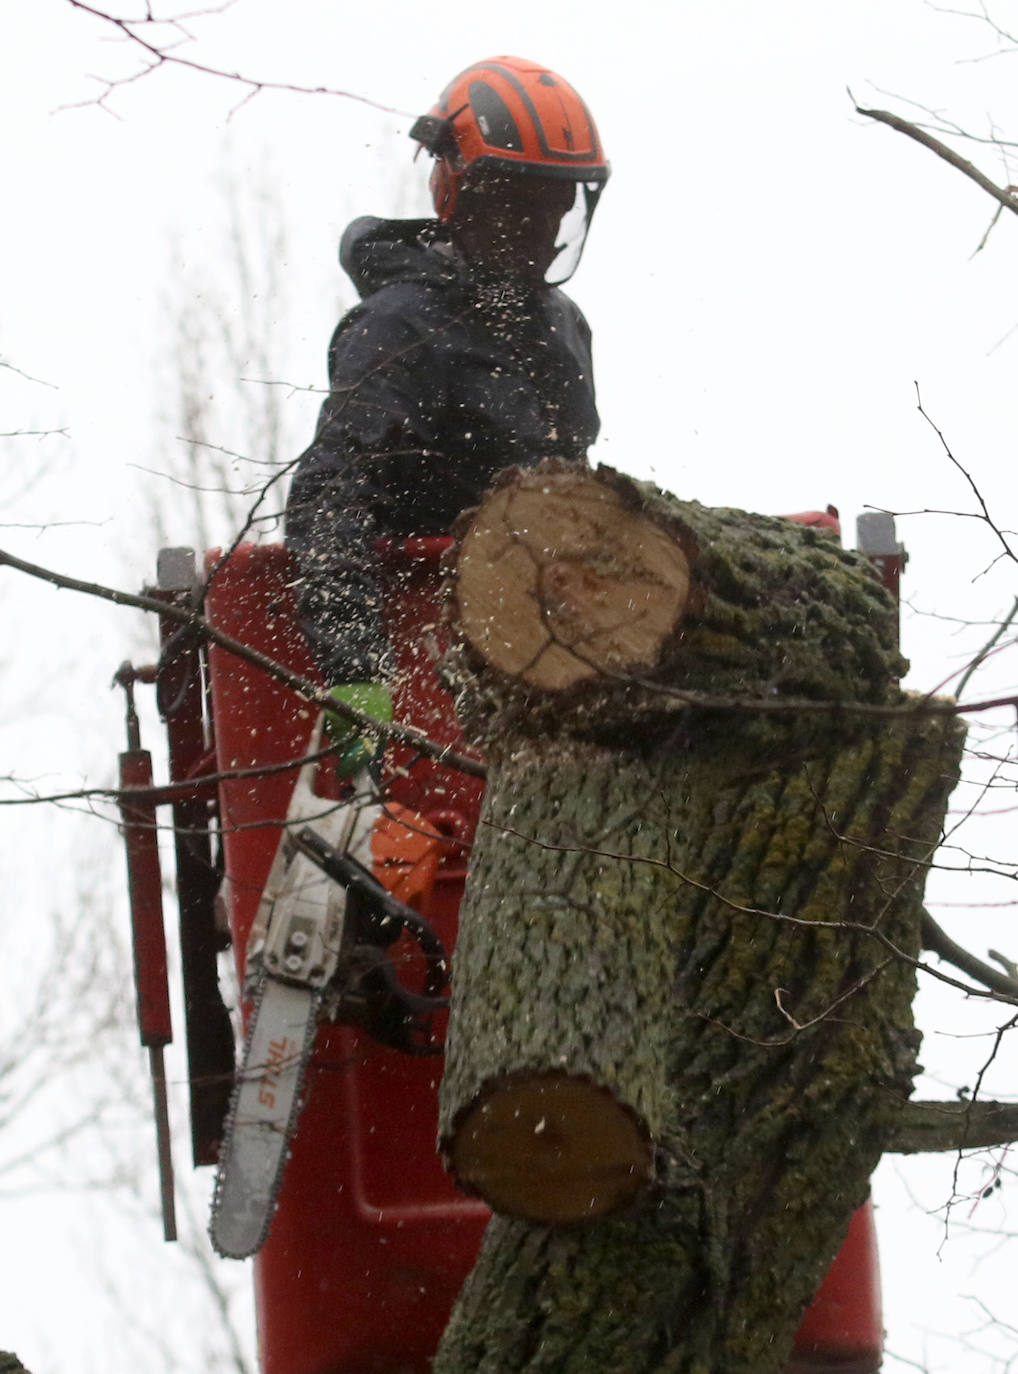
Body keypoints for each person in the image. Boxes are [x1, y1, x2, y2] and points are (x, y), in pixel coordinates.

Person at [284, 55, 610, 767]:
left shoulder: (562, 328)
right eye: (521, 199)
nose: (543, 221)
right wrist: (360, 675)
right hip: (430, 662)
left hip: (542, 664)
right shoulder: (399, 328)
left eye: (557, 200)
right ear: (461, 191)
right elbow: (331, 495)